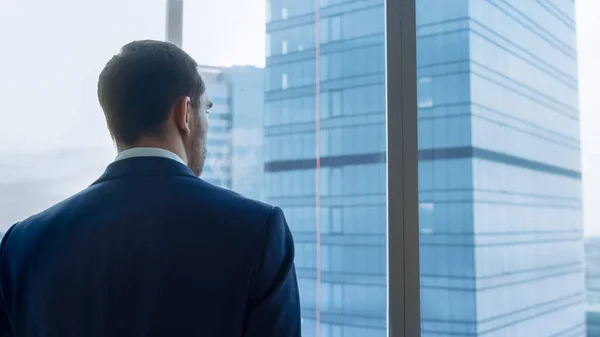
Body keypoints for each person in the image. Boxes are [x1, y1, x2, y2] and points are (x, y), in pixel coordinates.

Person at [0, 40, 301, 337]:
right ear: (184, 113)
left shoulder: (23, 243)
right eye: (205, 111)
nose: (205, 124)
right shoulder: (258, 230)